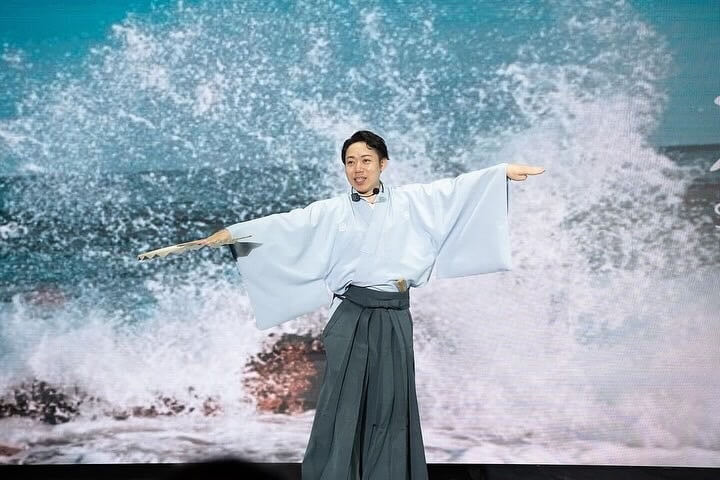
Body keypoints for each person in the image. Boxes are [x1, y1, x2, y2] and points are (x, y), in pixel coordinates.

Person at [196, 130, 544, 479]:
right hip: (351, 317)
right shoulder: (333, 211)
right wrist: (231, 235)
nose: (358, 169)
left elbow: (454, 192)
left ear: (382, 164)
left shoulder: (411, 201)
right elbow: (287, 226)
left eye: (365, 160)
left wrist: (499, 174)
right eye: (350, 162)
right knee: (343, 405)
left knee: (391, 405)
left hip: (394, 316)